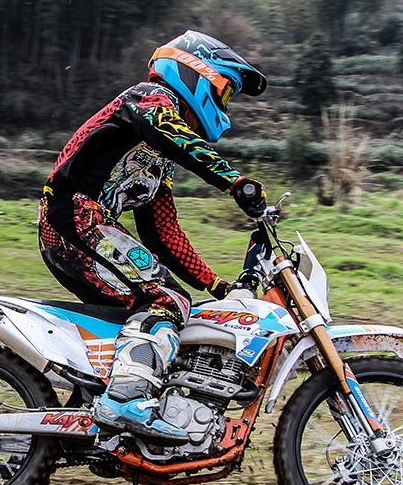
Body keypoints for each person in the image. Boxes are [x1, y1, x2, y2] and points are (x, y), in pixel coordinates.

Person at [37, 30, 268, 445]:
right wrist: (235, 181)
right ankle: (126, 400)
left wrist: (217, 285)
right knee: (166, 300)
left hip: (85, 227)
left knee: (149, 312)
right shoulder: (148, 101)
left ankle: (94, 425)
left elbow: (162, 231)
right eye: (224, 93)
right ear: (196, 73)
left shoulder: (158, 157)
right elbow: (168, 132)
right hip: (74, 218)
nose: (225, 109)